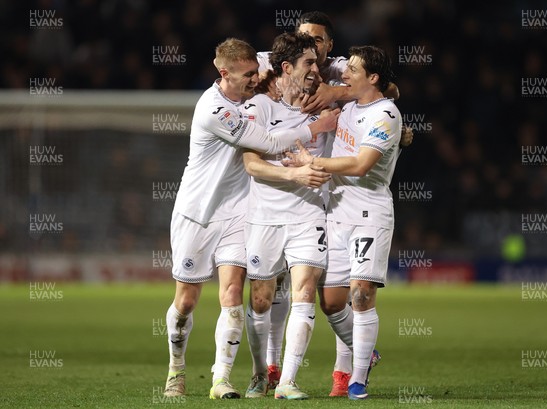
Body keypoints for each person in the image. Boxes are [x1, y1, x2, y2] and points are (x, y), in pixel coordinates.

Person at [162, 37, 338, 400]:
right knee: (187, 302)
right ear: (224, 74)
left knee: (231, 294)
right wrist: (316, 128)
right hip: (198, 213)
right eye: (246, 75)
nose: (254, 79)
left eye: (256, 73)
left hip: (240, 211)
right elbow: (269, 143)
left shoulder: (255, 88)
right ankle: (176, 368)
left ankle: (220, 378)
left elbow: (287, 63)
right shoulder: (214, 109)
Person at [284, 45, 401, 400]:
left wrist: (312, 163)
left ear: (373, 78)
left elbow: (361, 164)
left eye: (352, 70)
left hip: (370, 214)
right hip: (336, 211)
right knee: (332, 302)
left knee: (361, 294)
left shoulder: (386, 114)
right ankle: (367, 351)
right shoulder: (347, 106)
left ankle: (358, 380)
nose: (344, 75)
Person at [241, 32, 336, 400]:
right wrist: (294, 173)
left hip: (308, 212)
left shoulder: (326, 106)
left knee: (305, 293)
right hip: (264, 215)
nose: (316, 70)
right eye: (309, 64)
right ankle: (258, 373)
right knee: (261, 300)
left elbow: (379, 95)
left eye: (317, 62)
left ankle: (289, 381)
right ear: (286, 68)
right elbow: (252, 164)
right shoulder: (261, 107)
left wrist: (403, 134)